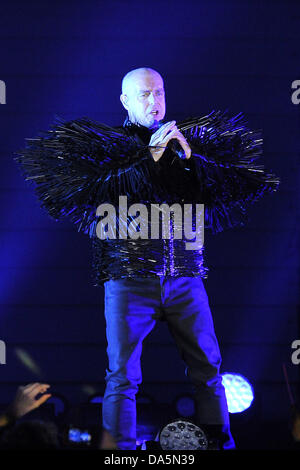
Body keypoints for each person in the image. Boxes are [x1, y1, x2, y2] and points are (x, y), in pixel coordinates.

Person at [14, 67, 280, 451]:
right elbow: (100, 193)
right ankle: (118, 450)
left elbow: (225, 193)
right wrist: (151, 155)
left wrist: (191, 162)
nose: (153, 101)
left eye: (158, 92)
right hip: (128, 277)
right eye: (143, 95)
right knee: (122, 376)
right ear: (124, 101)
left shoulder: (185, 143)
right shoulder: (109, 147)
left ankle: (221, 443)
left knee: (208, 370)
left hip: (184, 276)